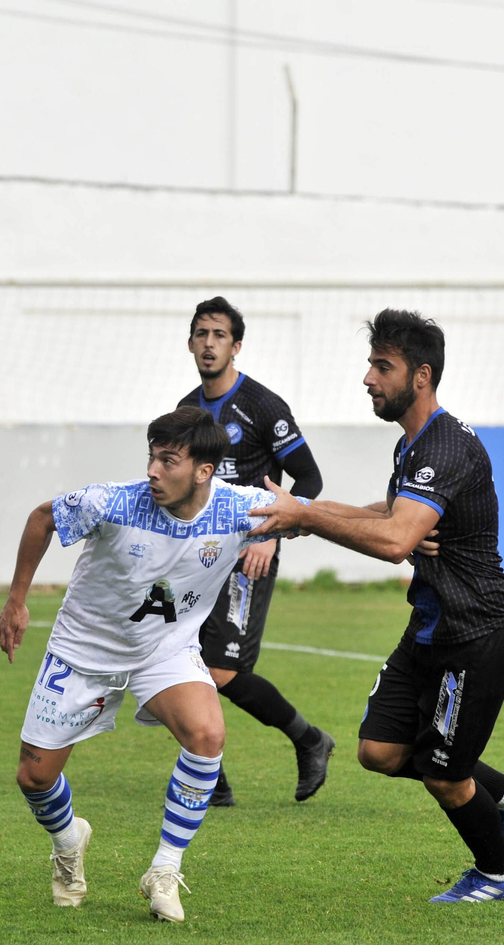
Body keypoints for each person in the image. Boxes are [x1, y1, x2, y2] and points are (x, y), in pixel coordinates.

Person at [247, 309, 504, 904]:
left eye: (383, 367)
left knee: (444, 775)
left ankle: (496, 874)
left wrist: (307, 516)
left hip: (477, 634)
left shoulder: (444, 446)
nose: (368, 379)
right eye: (370, 364)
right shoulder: (411, 444)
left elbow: (393, 542)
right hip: (432, 626)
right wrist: (310, 517)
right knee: (379, 751)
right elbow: (389, 518)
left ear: (422, 375)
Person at [0, 406, 297, 923]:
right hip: (84, 649)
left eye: (168, 460)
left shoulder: (238, 509)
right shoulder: (112, 502)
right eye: (152, 457)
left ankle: (163, 868)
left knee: (207, 735)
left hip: (164, 649)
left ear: (204, 471)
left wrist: (401, 520)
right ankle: (69, 843)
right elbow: (43, 517)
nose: (153, 470)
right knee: (33, 776)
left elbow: (321, 514)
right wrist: (17, 600)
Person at [175, 297, 334, 805]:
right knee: (171, 657)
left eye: (219, 335)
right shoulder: (186, 412)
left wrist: (270, 535)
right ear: (190, 342)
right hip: (192, 558)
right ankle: (211, 778)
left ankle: (309, 740)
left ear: (236, 346)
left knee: (221, 671)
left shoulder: (264, 406)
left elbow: (308, 477)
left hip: (247, 557)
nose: (208, 343)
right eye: (201, 333)